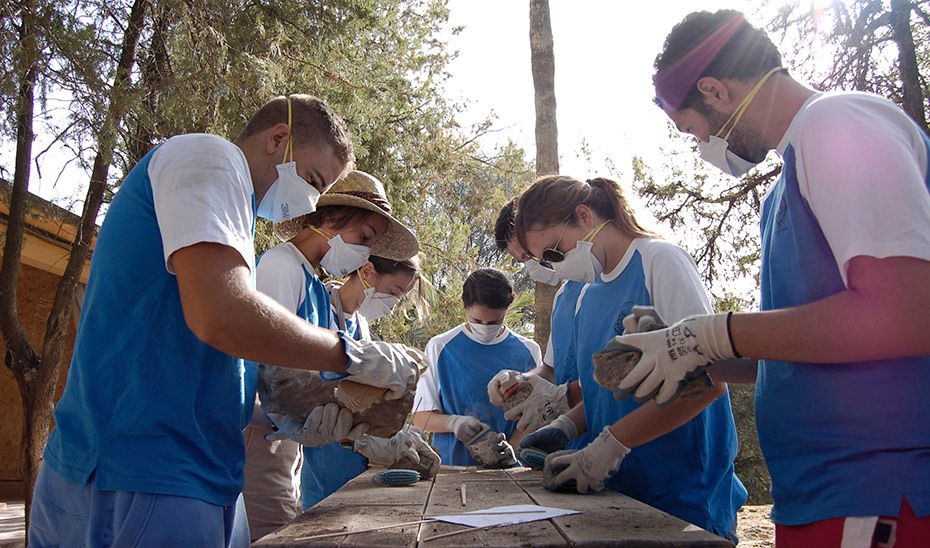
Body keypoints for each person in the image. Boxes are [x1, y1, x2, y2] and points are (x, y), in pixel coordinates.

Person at [30, 95, 423, 547]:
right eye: (313, 182)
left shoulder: (232, 212)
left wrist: (291, 418)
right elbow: (221, 315)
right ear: (279, 138)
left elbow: (214, 369)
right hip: (143, 470)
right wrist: (351, 356)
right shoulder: (210, 157)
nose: (310, 203)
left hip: (191, 472)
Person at [606, 9, 930, 546]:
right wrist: (691, 350)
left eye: (693, 129)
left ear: (714, 90)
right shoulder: (785, 185)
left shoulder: (840, 123)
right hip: (816, 493)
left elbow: (906, 312)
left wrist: (710, 332)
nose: (702, 145)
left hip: (879, 486)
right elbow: (807, 346)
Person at [512, 175, 746, 540]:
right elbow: (612, 389)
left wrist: (612, 444)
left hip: (683, 492)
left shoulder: (658, 261)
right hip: (623, 492)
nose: (555, 267)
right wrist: (567, 426)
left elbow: (709, 383)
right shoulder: (588, 295)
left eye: (554, 253)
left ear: (585, 217)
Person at [241, 169, 429, 528]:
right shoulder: (282, 267)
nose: (363, 253)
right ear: (330, 218)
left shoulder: (313, 282)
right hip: (258, 443)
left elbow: (308, 380)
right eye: (364, 236)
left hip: (286, 445)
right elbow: (260, 372)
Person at [412, 267, 541, 467]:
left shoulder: (528, 351)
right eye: (477, 321)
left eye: (495, 322)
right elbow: (421, 417)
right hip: (452, 468)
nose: (485, 328)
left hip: (508, 471)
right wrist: (454, 422)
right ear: (465, 307)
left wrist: (511, 451)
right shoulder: (441, 347)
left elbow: (533, 416)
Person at [487, 199, 585, 444]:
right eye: (523, 260)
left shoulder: (609, 283)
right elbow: (551, 370)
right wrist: (522, 382)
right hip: (576, 447)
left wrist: (566, 398)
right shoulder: (563, 296)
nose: (534, 263)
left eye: (531, 253)